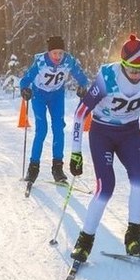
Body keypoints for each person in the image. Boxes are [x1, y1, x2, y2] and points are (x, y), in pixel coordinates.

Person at [67, 34, 140, 262]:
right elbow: (81, 113)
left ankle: (133, 237)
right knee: (106, 186)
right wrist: (75, 152)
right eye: (131, 70)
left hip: (129, 133)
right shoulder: (108, 77)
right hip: (102, 133)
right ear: (123, 64)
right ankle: (85, 241)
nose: (136, 75)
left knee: (139, 180)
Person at [20, 36, 89, 185]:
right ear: (49, 52)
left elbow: (81, 76)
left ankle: (57, 167)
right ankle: (33, 167)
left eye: (60, 53)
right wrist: (24, 89)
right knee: (42, 130)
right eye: (54, 53)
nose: (58, 56)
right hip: (39, 95)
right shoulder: (41, 62)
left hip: (57, 95)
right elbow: (26, 79)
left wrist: (83, 85)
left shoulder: (68, 60)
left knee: (58, 128)